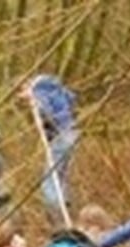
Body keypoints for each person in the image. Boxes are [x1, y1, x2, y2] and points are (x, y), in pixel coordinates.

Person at [26, 74, 80, 220]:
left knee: (50, 179)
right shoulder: (56, 88)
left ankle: (56, 212)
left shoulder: (38, 90)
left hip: (60, 135)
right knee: (61, 174)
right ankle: (65, 203)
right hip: (72, 132)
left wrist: (47, 122)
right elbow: (72, 99)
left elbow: (45, 110)